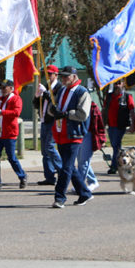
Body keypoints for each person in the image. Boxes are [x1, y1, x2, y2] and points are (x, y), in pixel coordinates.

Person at [48, 66, 92, 208]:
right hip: (61, 133)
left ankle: (60, 197)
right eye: (62, 76)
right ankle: (84, 192)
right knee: (69, 167)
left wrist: (66, 114)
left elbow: (83, 114)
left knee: (65, 167)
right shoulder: (61, 91)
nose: (63, 79)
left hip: (74, 134)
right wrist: (52, 110)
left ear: (74, 76)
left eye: (66, 76)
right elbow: (52, 108)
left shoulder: (82, 92)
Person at [0, 79, 27, 190]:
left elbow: (16, 113)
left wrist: (1, 112)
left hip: (10, 133)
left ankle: (22, 176)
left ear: (11, 88)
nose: (2, 90)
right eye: (1, 88)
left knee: (11, 158)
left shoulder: (16, 99)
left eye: (4, 87)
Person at [32, 64, 63, 186]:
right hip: (44, 120)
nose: (48, 76)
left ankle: (63, 171)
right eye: (47, 74)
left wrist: (46, 94)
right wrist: (36, 96)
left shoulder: (59, 88)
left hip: (53, 121)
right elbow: (36, 104)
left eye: (50, 74)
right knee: (44, 151)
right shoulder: (45, 87)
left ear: (56, 75)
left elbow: (55, 103)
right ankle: (49, 177)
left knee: (50, 147)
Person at [105, 79, 135, 174]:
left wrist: (133, 125)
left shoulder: (126, 97)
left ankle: (114, 166)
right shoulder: (109, 96)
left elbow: (132, 111)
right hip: (111, 125)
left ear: (122, 84)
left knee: (116, 146)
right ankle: (124, 164)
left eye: (119, 83)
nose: (117, 85)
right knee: (115, 146)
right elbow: (104, 110)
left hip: (120, 125)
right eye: (115, 83)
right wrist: (102, 122)